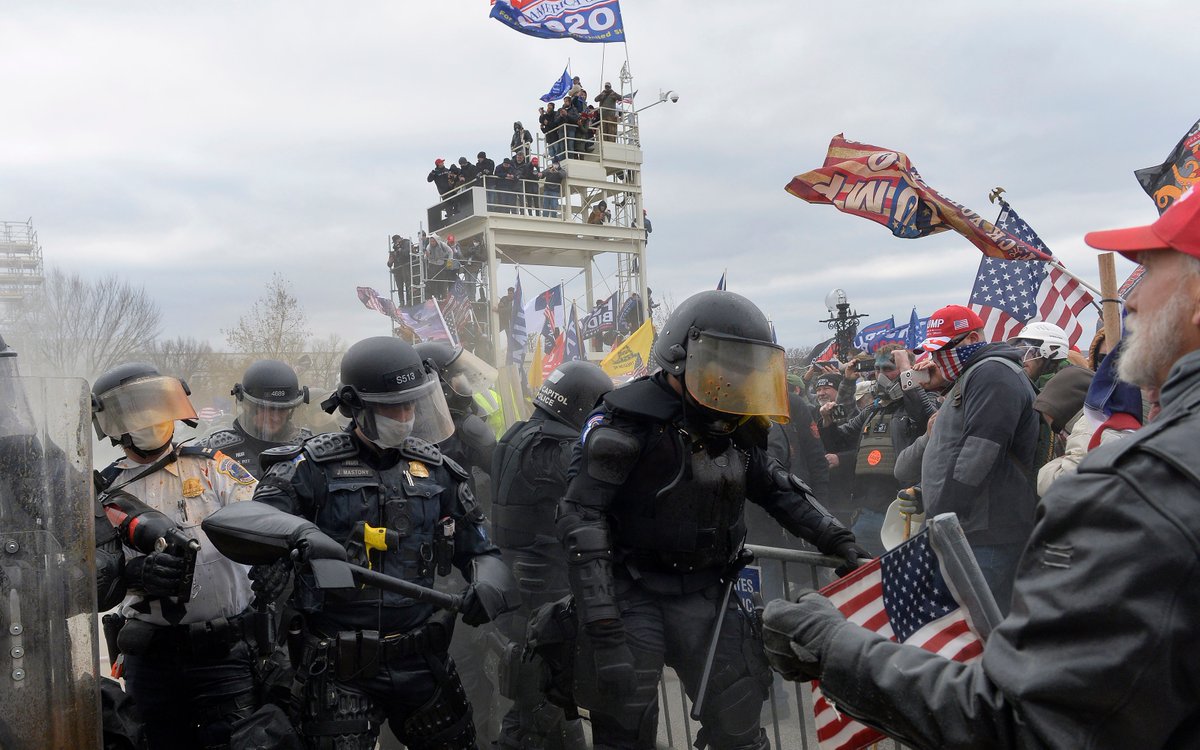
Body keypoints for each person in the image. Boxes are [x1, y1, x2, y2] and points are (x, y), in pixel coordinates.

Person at [761, 183, 1200, 750]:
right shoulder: (970, 384)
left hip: (986, 536)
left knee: (975, 643)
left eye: (1149, 268)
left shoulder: (1145, 486)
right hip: (967, 529)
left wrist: (836, 646)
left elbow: (1025, 720)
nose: (1130, 300)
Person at [556, 290, 866, 750]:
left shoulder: (737, 431)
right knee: (625, 723)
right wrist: (602, 624)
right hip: (633, 591)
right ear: (680, 360)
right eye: (723, 366)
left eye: (744, 368)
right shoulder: (628, 424)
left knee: (739, 719)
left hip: (707, 591)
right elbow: (582, 516)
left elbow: (779, 489)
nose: (734, 380)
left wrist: (839, 540)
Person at [247, 336, 519, 749]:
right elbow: (251, 525)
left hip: (421, 659)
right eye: (394, 406)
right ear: (358, 406)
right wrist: (300, 539)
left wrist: (487, 587)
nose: (407, 415)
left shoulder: (436, 469)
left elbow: (482, 548)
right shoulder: (308, 467)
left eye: (413, 403)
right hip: (339, 667)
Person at [91, 362, 260, 749]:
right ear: (115, 426)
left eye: (155, 407)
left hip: (224, 651)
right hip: (153, 658)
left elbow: (261, 519)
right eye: (136, 413)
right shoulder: (103, 494)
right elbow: (95, 578)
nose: (151, 421)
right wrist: (135, 574)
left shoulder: (213, 467)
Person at [492, 360, 612, 749]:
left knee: (548, 711)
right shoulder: (556, 449)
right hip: (544, 596)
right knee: (540, 713)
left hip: (519, 588)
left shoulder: (517, 436)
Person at [908, 305, 1039, 611]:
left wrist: (942, 512)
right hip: (971, 529)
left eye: (945, 349)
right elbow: (954, 447)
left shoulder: (992, 373)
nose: (938, 358)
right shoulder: (975, 375)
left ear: (973, 339)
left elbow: (979, 452)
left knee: (973, 632)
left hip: (984, 534)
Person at [819, 345, 938, 556]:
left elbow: (925, 415)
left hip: (902, 512)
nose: (881, 375)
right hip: (866, 511)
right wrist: (828, 421)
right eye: (877, 369)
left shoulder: (922, 401)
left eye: (888, 368)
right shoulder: (875, 408)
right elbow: (841, 439)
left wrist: (905, 371)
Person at [201, 359, 312, 480]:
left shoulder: (308, 448)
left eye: (282, 410)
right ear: (247, 406)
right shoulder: (217, 451)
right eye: (267, 409)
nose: (275, 417)